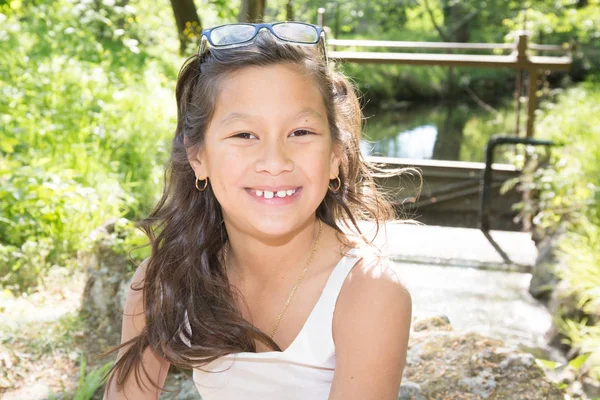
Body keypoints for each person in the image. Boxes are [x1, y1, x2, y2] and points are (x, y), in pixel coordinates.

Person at [103, 21, 413, 400]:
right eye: (244, 135)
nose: (274, 161)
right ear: (198, 157)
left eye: (300, 132)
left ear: (335, 156)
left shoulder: (367, 291)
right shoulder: (163, 280)